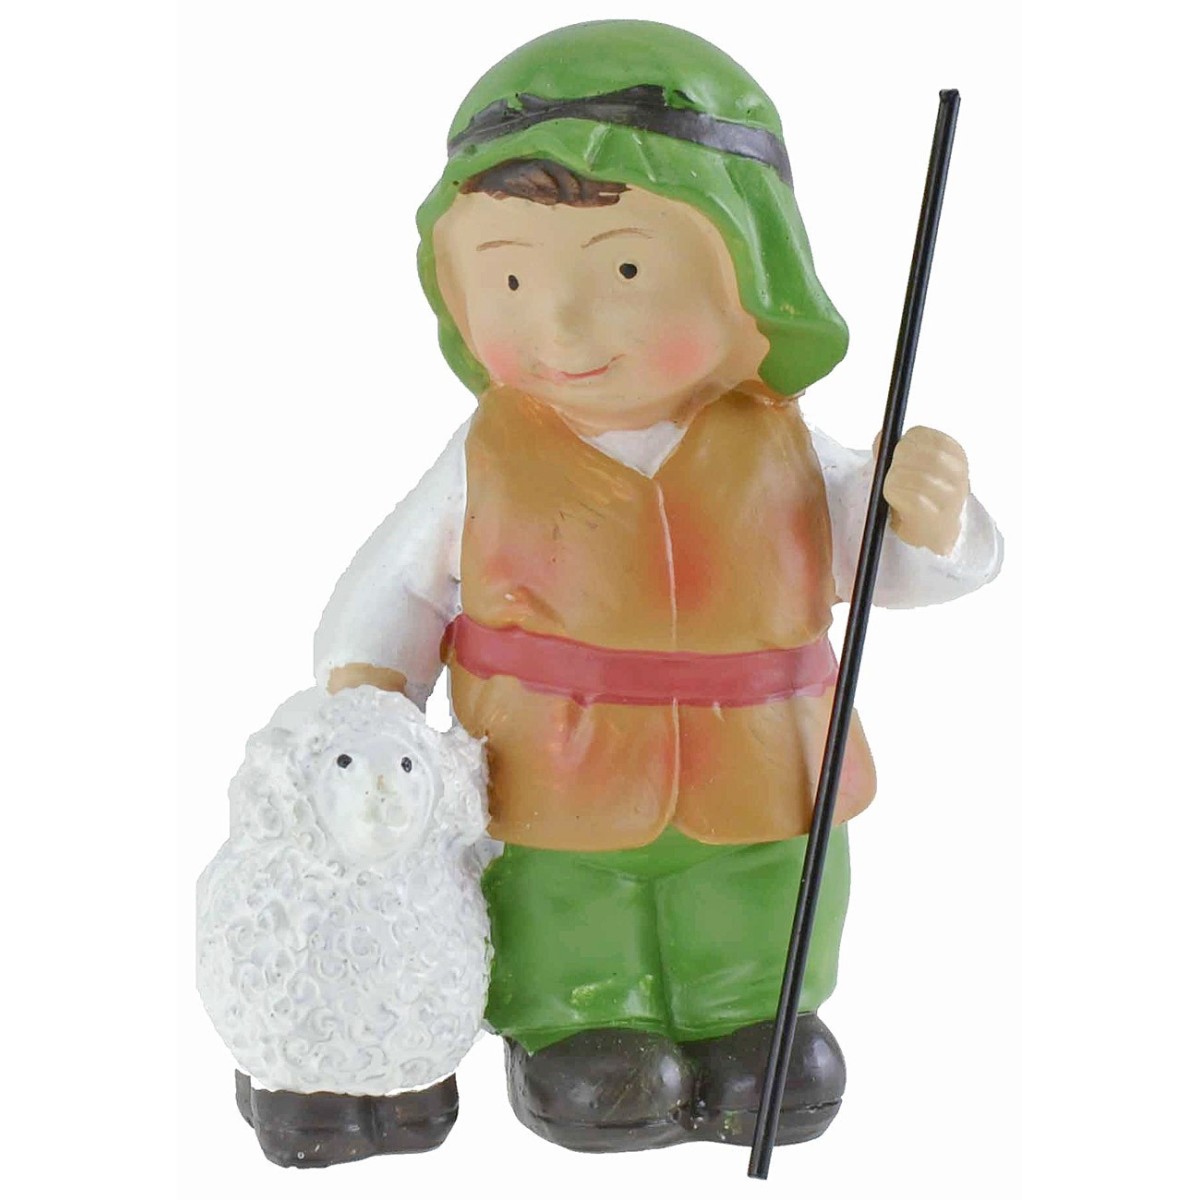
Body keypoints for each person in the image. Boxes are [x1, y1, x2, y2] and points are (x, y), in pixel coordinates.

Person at [252, 19, 1003, 1163]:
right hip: (551, 770)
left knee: (756, 904)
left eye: (628, 271)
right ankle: (579, 1029)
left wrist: (930, 522)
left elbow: (883, 563)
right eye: (511, 277)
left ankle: (753, 1024)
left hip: (765, 763)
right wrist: (370, 692)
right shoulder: (487, 455)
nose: (561, 323)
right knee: (570, 905)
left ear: (757, 274)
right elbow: (392, 589)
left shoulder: (787, 448)